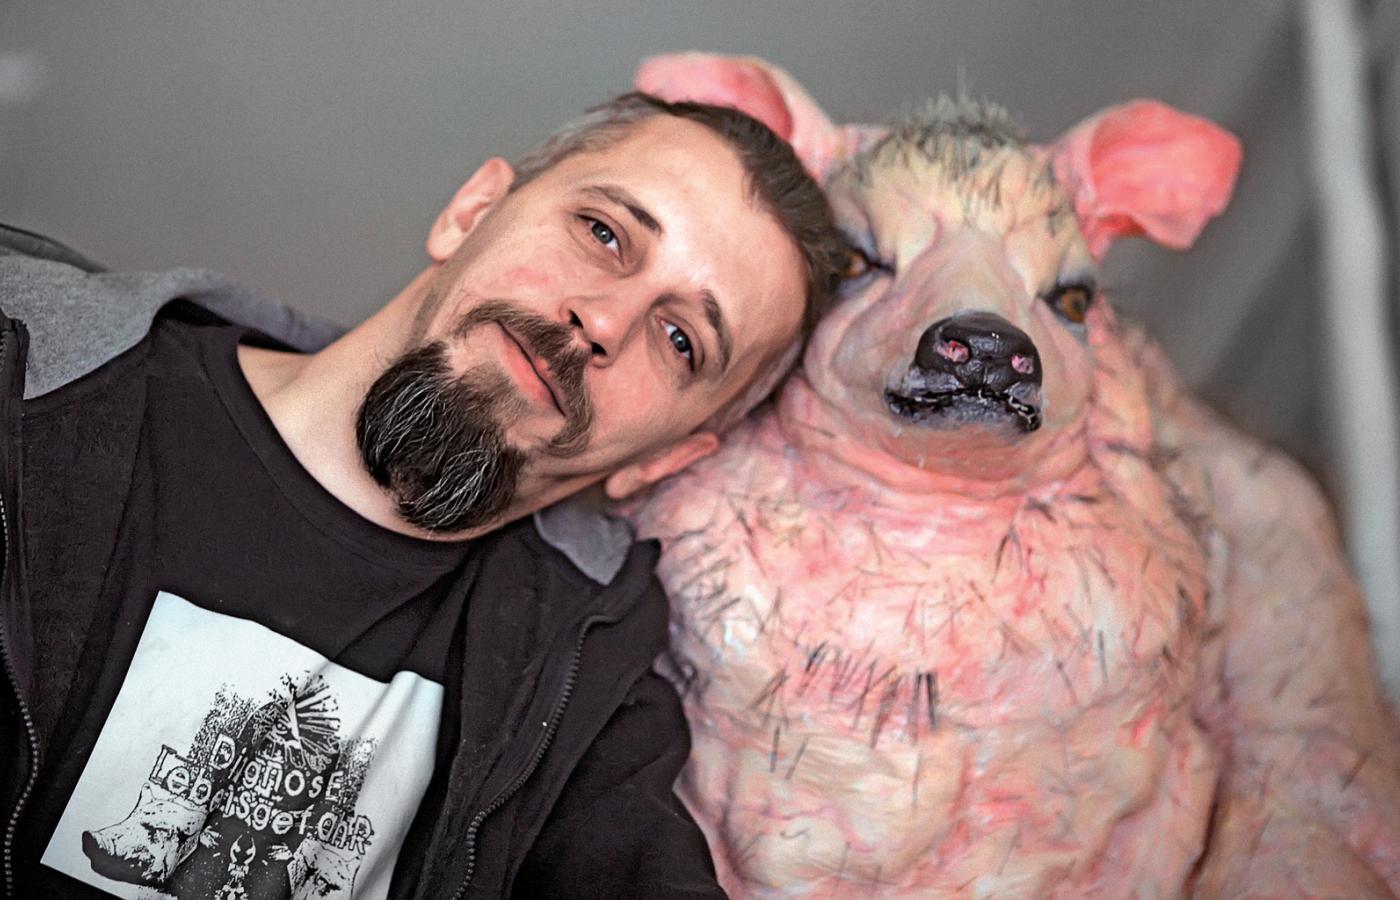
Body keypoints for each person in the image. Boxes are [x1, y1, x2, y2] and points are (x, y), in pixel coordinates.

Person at [0, 92, 849, 898]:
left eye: (680, 339)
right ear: (471, 212)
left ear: (664, 460)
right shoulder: (25, 373)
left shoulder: (592, 669)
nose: (603, 322)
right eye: (604, 233)